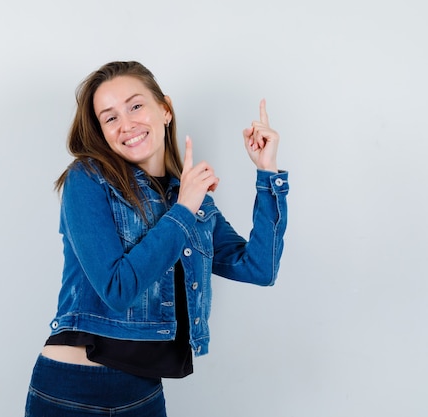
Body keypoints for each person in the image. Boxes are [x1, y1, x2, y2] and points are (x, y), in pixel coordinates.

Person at [24, 61, 289, 416]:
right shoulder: (87, 180)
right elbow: (117, 289)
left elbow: (260, 268)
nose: (126, 124)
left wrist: (267, 172)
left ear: (164, 110)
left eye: (135, 106)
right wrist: (183, 211)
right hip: (74, 388)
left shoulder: (189, 198)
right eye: (110, 117)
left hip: (143, 389)